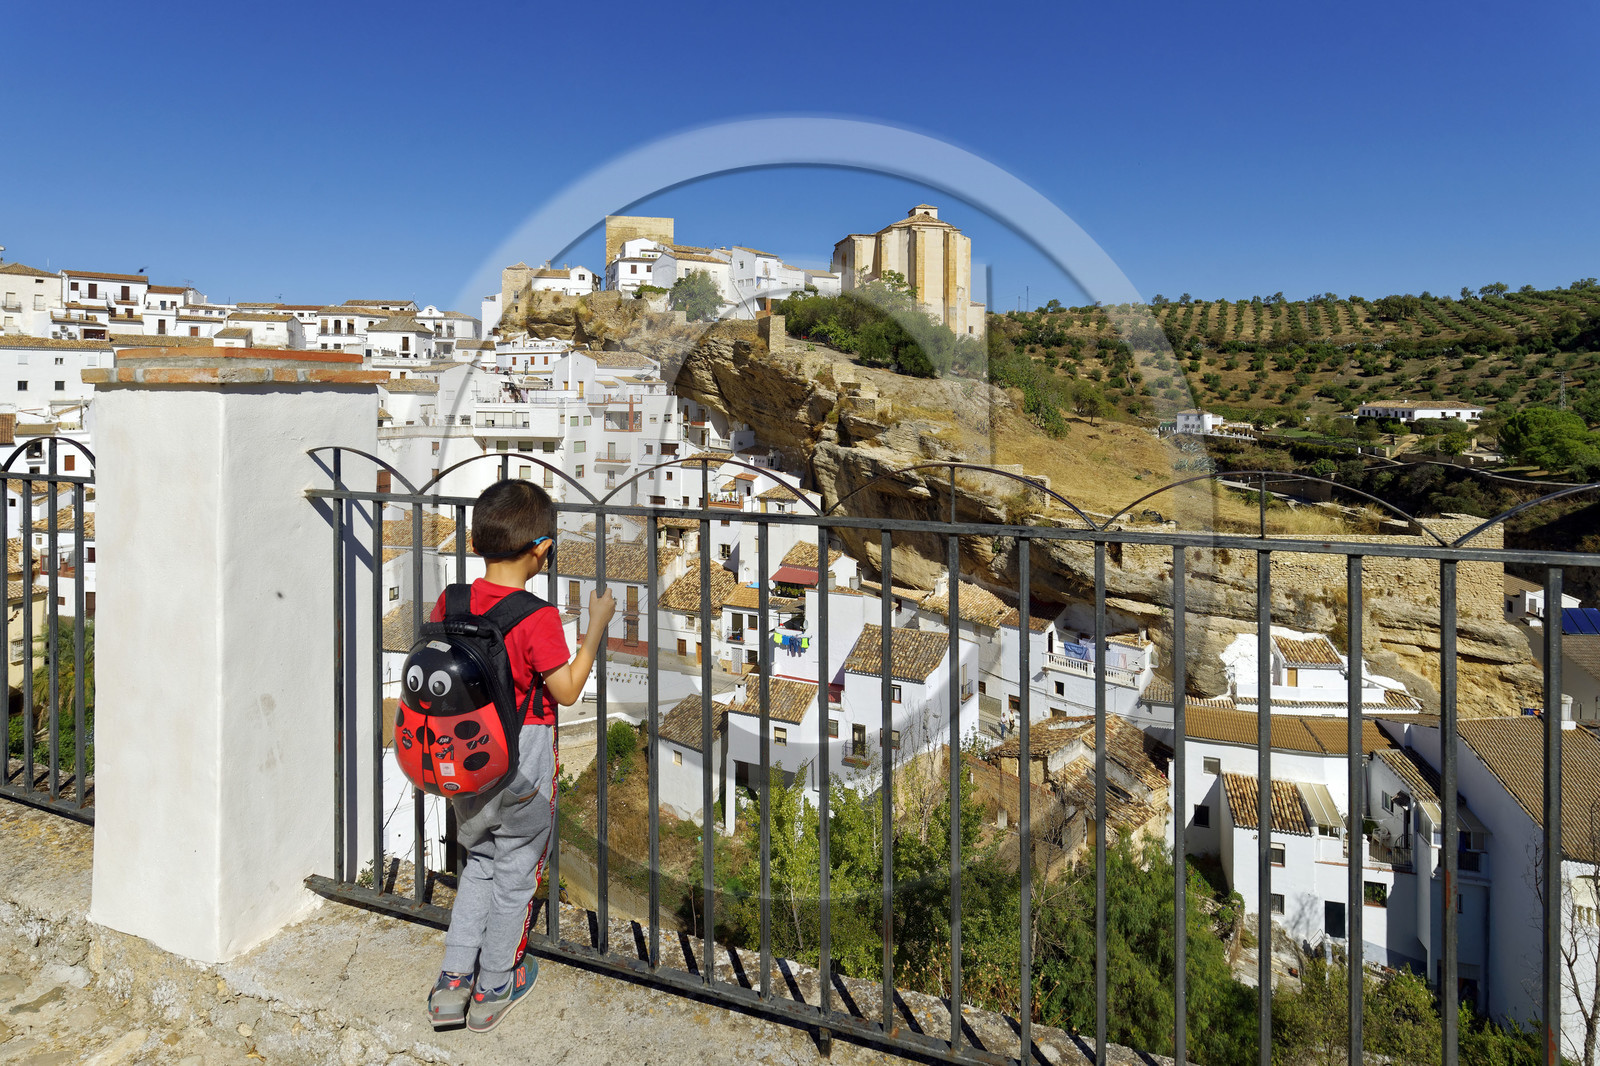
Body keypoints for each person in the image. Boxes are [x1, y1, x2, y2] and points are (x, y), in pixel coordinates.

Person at [426, 480, 615, 1033]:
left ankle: (451, 986)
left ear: (475, 540)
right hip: (524, 762)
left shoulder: (450, 601)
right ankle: (494, 987)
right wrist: (596, 627)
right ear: (543, 548)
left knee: (479, 863)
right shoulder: (537, 617)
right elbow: (567, 690)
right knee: (514, 873)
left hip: (467, 759)